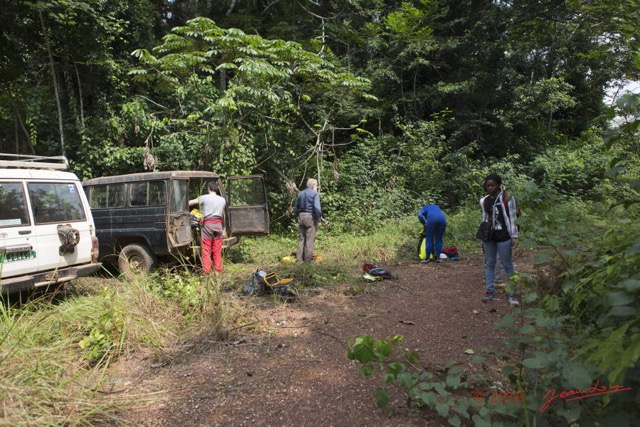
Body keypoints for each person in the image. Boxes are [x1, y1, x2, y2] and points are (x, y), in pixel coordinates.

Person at [480, 174, 519, 306]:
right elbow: (484, 218)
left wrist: (514, 236)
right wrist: (483, 236)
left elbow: (512, 217)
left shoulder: (507, 198)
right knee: (490, 263)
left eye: (492, 185)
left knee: (507, 263)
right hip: (489, 236)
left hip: (504, 235)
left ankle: (512, 293)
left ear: (498, 185)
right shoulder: (484, 200)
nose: (490, 188)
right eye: (488, 186)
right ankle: (489, 290)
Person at [189, 181, 226, 274]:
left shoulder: (204, 197)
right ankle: (218, 271)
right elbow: (221, 213)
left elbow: (191, 202)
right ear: (217, 189)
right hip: (218, 225)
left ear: (208, 188)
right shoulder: (222, 200)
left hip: (208, 225)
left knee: (206, 249)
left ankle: (207, 271)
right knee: (217, 249)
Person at [295, 178, 322, 262]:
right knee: (309, 240)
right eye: (317, 185)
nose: (317, 187)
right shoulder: (314, 194)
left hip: (301, 216)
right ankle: (307, 261)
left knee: (301, 239)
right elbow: (317, 208)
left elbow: (296, 208)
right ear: (313, 185)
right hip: (310, 217)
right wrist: (319, 220)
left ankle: (299, 260)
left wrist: (299, 215)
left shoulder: (300, 193)